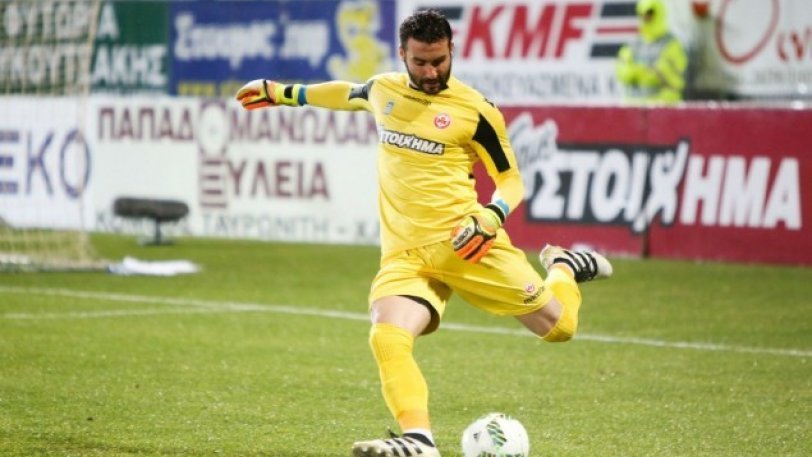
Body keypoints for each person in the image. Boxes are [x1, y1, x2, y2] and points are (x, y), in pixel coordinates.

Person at [236, 10, 612, 457]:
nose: (431, 72)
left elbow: (511, 180)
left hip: (467, 244)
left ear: (452, 50)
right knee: (386, 335)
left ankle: (563, 266)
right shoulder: (384, 89)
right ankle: (419, 439)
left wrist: (492, 216)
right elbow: (347, 93)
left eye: (439, 61)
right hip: (405, 255)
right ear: (402, 54)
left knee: (560, 327)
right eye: (420, 62)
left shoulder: (477, 110)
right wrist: (282, 93)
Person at [616, 0, 688, 103]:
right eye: (643, 15)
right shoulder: (634, 44)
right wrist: (646, 71)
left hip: (664, 106)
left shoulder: (671, 44)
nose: (646, 18)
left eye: (650, 14)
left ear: (659, 14)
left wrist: (646, 72)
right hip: (634, 105)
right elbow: (622, 71)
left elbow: (677, 80)